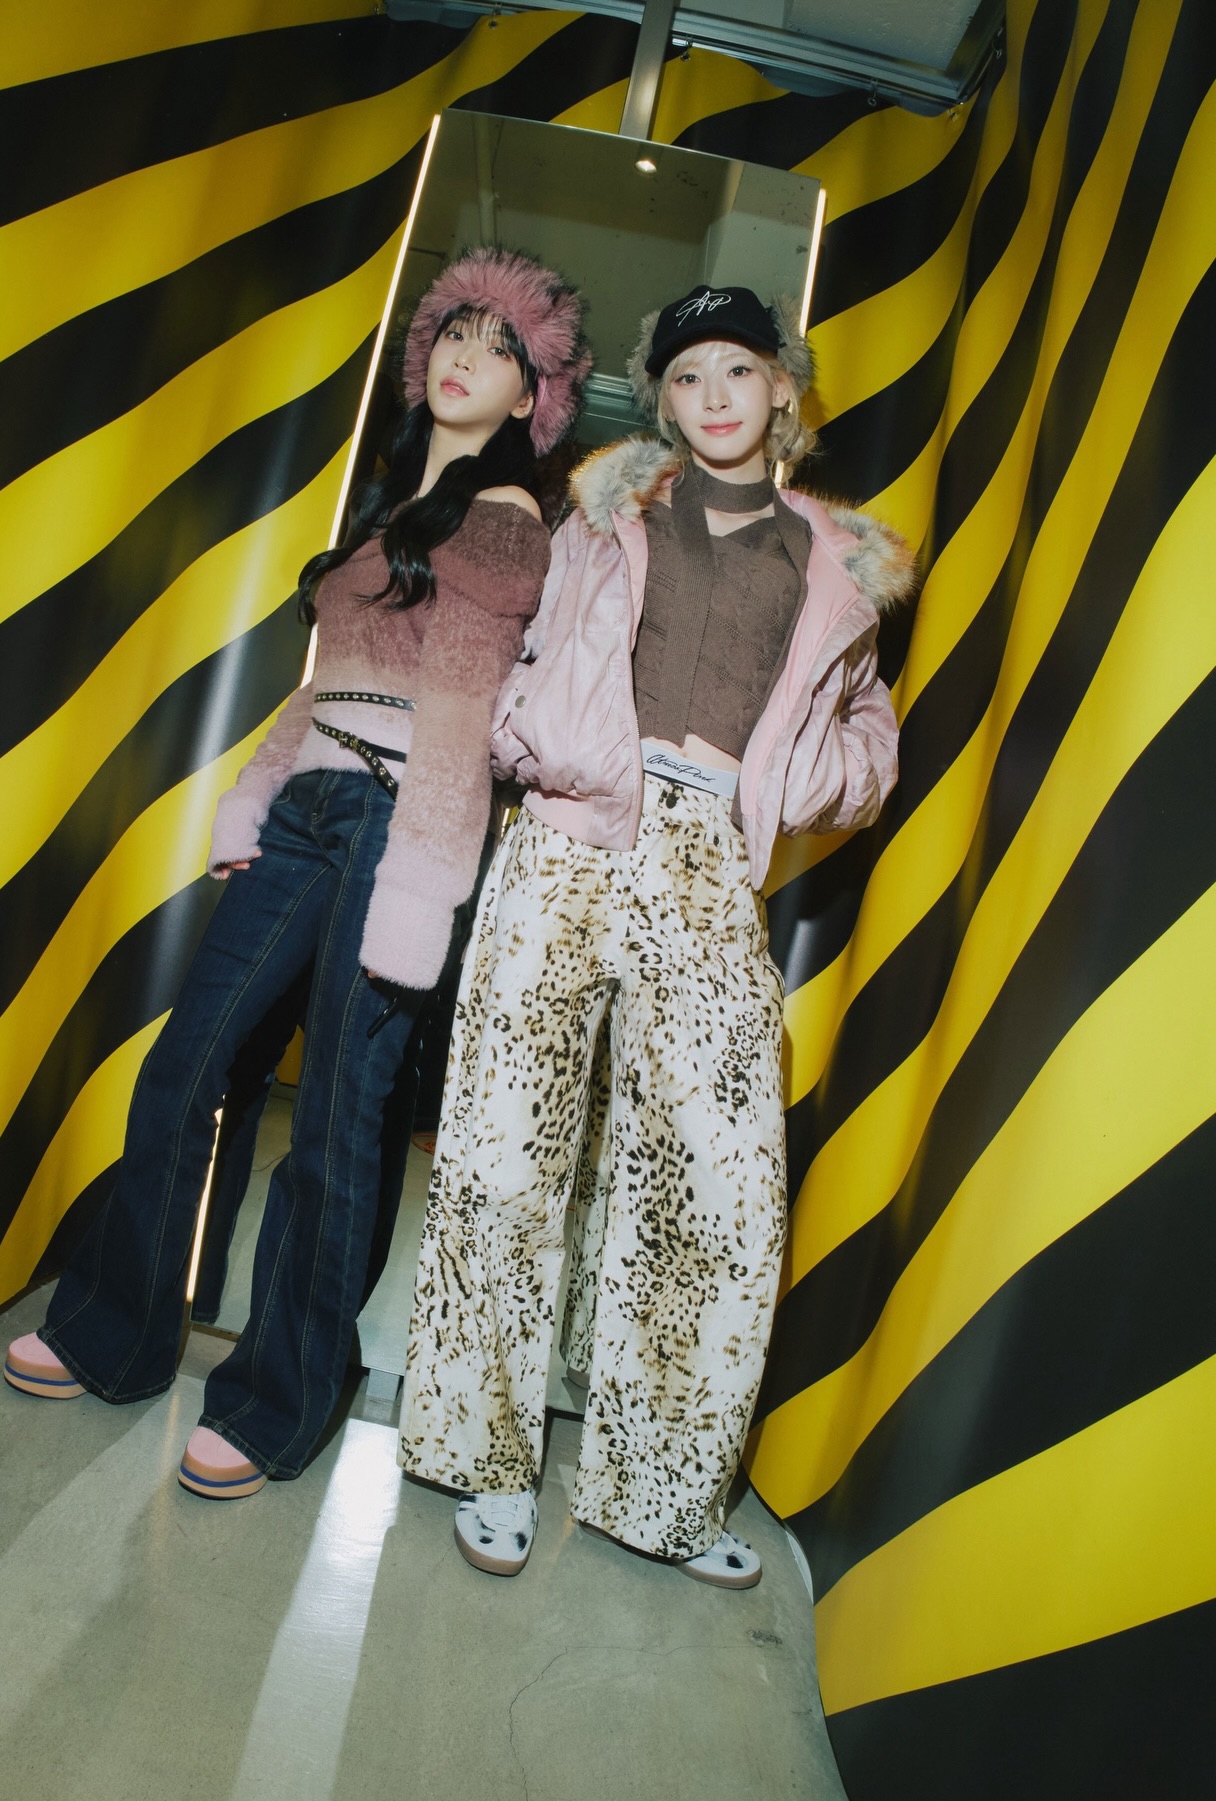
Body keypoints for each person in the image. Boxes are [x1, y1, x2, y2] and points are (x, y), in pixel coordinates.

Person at [4, 248, 590, 1499]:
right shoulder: (388, 512)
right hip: (316, 807)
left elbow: (458, 720)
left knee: (335, 1121)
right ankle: (115, 1330)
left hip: (398, 822)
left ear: (532, 394)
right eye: (453, 333)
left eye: (497, 349)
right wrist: (256, 792)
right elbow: (322, 691)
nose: (465, 357)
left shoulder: (505, 519)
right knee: (189, 1062)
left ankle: (277, 1403)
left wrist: (424, 887)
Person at [399, 284, 914, 1584]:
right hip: (568, 835)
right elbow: (521, 642)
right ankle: (485, 1454)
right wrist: (530, 737)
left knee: (713, 1182)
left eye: (738, 369)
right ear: (664, 398)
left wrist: (802, 781)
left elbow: (866, 729)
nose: (712, 397)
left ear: (784, 385)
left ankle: (663, 1492)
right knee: (504, 1150)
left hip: (705, 857)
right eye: (686, 376)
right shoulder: (604, 512)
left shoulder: (839, 563)